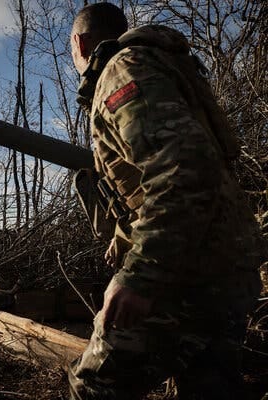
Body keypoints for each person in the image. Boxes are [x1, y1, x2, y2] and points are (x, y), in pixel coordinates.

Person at [68, 3, 265, 399]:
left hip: (187, 273)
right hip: (223, 265)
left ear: (80, 43)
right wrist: (123, 236)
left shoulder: (122, 71)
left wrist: (140, 275)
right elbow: (163, 177)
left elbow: (184, 170)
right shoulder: (163, 67)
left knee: (92, 387)